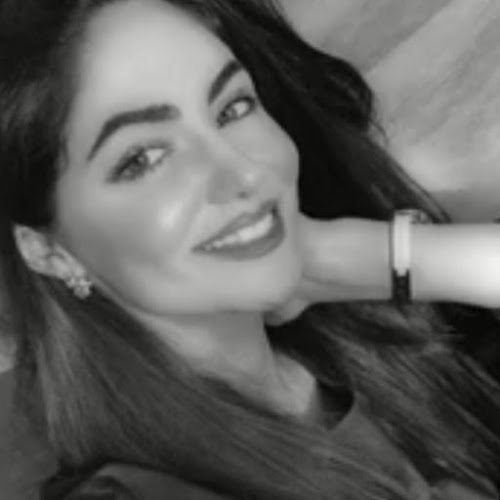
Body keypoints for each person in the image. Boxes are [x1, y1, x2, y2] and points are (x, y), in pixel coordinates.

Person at [0, 0, 499, 499]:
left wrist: (367, 259)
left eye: (232, 107)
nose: (246, 173)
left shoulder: (353, 352)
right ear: (46, 250)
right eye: (143, 158)